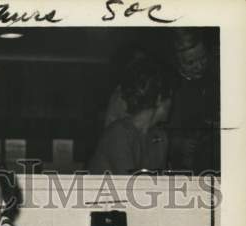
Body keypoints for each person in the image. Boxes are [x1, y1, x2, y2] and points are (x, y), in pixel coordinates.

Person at [89, 56, 172, 173]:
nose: (172, 104)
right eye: (170, 97)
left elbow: (159, 185)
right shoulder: (119, 134)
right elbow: (130, 186)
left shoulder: (159, 138)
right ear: (159, 99)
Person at [166, 29, 219, 174]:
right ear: (177, 62)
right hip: (181, 164)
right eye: (190, 62)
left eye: (203, 58)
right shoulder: (170, 88)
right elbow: (153, 135)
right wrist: (177, 142)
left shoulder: (215, 75)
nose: (199, 66)